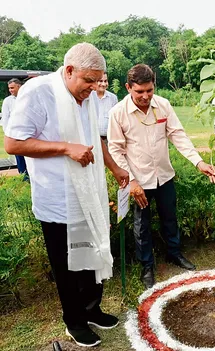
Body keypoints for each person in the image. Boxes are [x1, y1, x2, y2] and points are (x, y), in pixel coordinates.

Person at [4, 43, 129, 348]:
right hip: (58, 198)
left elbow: (93, 140)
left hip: (89, 192)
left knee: (91, 254)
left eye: (98, 81)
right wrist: (64, 147)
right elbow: (13, 144)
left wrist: (113, 166)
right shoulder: (37, 92)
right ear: (69, 70)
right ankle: (74, 321)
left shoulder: (88, 97)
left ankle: (92, 309)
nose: (94, 88)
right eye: (88, 81)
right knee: (67, 264)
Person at [108, 64, 215, 289]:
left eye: (149, 90)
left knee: (170, 218)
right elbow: (115, 150)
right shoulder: (118, 113)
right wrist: (131, 182)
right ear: (128, 88)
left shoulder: (163, 105)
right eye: (139, 92)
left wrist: (198, 162)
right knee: (142, 226)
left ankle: (174, 254)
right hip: (139, 181)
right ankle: (147, 266)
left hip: (164, 176)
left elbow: (178, 136)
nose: (145, 96)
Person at [1, 78, 28, 177]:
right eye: (9, 88)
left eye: (12, 88)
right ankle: (24, 177)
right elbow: (5, 118)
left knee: (31, 156)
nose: (10, 90)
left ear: (19, 86)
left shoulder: (28, 97)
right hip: (16, 134)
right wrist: (9, 134)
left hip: (29, 133)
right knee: (20, 158)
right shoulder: (8, 101)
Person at [92, 72, 118, 142]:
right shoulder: (89, 97)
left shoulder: (113, 98)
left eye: (105, 81)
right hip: (92, 139)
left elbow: (116, 120)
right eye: (100, 81)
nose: (103, 84)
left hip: (108, 140)